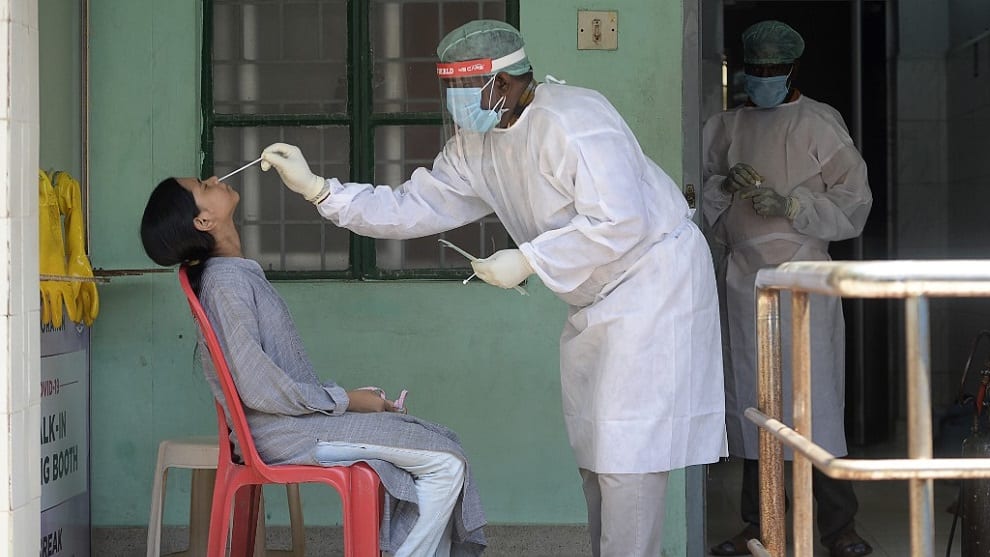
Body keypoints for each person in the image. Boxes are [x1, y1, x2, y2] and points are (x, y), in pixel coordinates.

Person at [260, 19, 727, 557]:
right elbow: (414, 206)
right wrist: (321, 192)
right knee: (599, 454)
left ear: (502, 84)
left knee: (628, 457)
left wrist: (528, 257)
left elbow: (621, 222)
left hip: (652, 286)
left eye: (462, 91)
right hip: (595, 300)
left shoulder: (575, 120)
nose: (456, 105)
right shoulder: (477, 145)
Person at [140, 176, 487, 557]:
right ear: (203, 221)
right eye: (203, 187)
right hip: (283, 432)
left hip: (294, 423)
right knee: (444, 462)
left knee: (441, 446)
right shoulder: (225, 283)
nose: (214, 180)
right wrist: (346, 400)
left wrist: (349, 400)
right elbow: (259, 387)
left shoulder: (234, 274)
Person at [701, 20, 874, 557]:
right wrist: (722, 188)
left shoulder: (820, 123)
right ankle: (759, 524)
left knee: (816, 404)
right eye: (757, 71)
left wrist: (794, 207)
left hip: (805, 276)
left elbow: (854, 202)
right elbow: (699, 199)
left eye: (775, 71)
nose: (765, 79)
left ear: (793, 70)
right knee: (758, 408)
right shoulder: (724, 127)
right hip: (744, 280)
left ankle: (839, 528)